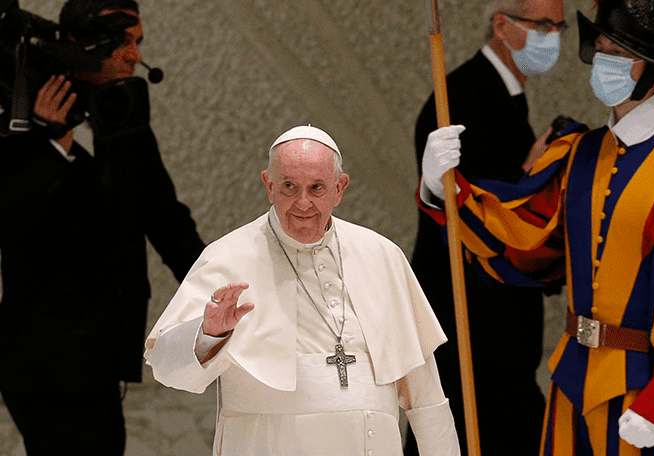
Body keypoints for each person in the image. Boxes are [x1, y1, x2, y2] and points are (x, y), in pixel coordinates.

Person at [419, 0, 654, 454]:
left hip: (645, 390)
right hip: (571, 378)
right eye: (604, 49)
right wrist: (445, 190)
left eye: (624, 56)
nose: (607, 63)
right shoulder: (580, 153)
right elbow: (525, 243)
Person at [144, 125, 460, 456]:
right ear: (269, 186)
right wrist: (209, 334)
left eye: (317, 188)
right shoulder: (227, 258)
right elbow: (167, 369)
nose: (303, 203)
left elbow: (426, 398)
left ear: (340, 188)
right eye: (289, 187)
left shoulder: (381, 255)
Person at [0, 1, 205, 455]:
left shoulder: (122, 114)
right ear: (82, 43)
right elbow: (13, 223)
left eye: (139, 43)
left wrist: (221, 292)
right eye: (124, 40)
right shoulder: (17, 116)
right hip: (45, 361)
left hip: (101, 355)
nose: (134, 56)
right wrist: (50, 143)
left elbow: (166, 218)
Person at [408, 0, 567, 454]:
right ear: (501, 25)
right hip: (473, 321)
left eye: (558, 26)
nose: (552, 37)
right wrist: (531, 175)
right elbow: (470, 211)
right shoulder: (463, 96)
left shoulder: (502, 92)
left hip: (498, 327)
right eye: (541, 25)